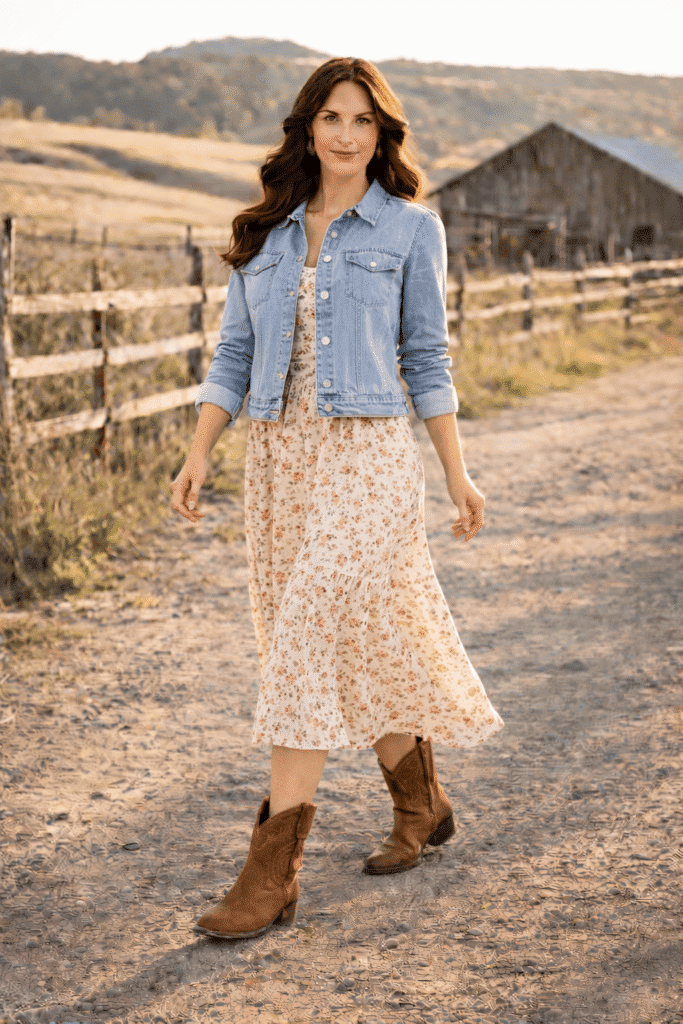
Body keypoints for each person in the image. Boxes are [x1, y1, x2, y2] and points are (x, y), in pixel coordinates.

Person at [170, 56, 504, 940]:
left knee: (309, 631)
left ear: (382, 133)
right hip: (281, 464)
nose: (347, 135)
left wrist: (455, 473)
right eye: (331, 118)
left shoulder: (407, 230)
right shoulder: (267, 235)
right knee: (347, 639)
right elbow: (233, 357)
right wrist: (200, 451)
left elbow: (426, 358)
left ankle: (269, 875)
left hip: (366, 457)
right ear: (307, 129)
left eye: (363, 120)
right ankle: (422, 803)